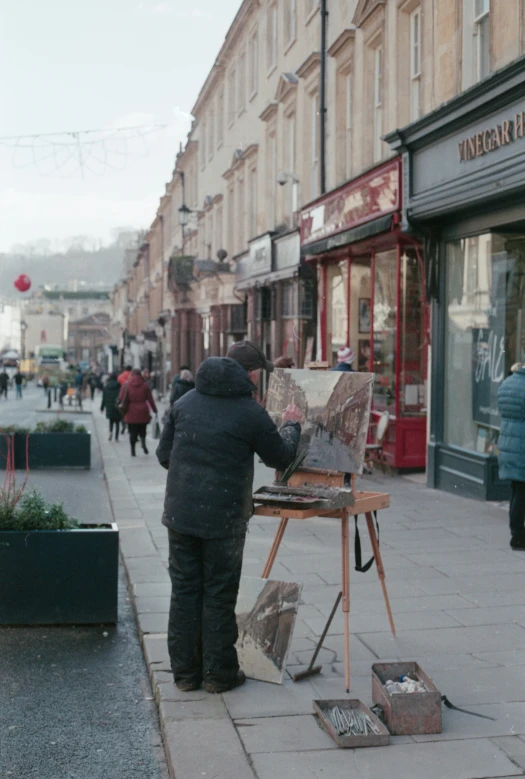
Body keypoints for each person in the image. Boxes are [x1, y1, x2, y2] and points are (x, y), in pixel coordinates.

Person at [156, 341, 301, 695]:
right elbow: (281, 456)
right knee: (219, 594)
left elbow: (164, 456)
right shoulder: (248, 412)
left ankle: (186, 674)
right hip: (224, 520)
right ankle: (218, 675)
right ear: (250, 375)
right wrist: (291, 425)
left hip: (181, 516)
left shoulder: (183, 403)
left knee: (185, 592)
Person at [498, 363, 525, 550]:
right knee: (521, 493)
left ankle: (516, 533)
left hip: (509, 442)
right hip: (521, 443)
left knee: (517, 491)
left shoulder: (507, 383)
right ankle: (517, 536)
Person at [120, 368, 157, 456]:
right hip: (143, 410)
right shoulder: (145, 385)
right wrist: (155, 410)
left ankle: (132, 450)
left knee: (132, 431)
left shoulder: (126, 385)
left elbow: (121, 398)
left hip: (131, 410)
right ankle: (143, 444)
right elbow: (150, 399)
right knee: (142, 429)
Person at [101, 372, 122, 442]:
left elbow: (104, 398)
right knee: (118, 422)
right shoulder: (119, 386)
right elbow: (121, 397)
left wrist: (102, 407)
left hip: (109, 406)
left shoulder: (106, 386)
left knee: (111, 421)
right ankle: (116, 437)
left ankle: (110, 433)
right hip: (117, 406)